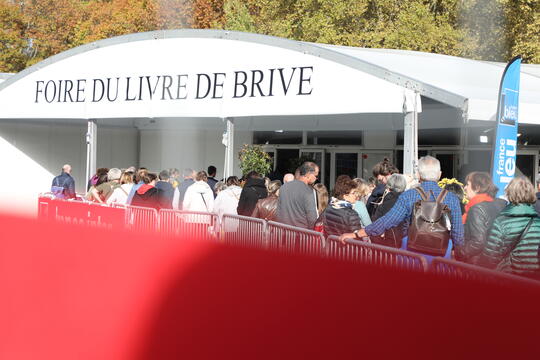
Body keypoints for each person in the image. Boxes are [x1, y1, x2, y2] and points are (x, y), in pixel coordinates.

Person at [346, 156, 464, 258]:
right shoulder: (452, 199)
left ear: (418, 175)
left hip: (412, 251)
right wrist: (459, 255)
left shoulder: (409, 196)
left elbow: (387, 221)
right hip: (442, 253)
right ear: (440, 174)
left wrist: (356, 234)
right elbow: (458, 234)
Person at [478, 177, 540, 279]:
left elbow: (490, 256)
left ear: (509, 194)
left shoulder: (501, 222)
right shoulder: (538, 221)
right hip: (534, 279)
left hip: (510, 278)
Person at [459, 172, 506, 264]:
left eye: (467, 184)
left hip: (476, 264)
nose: (464, 188)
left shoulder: (477, 209)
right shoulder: (496, 204)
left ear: (477, 188)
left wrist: (460, 252)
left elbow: (478, 242)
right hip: (493, 262)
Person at [276, 162, 319, 229]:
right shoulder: (308, 191)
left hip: (284, 232)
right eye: (316, 176)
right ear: (308, 175)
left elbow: (279, 213)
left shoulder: (284, 187)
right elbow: (312, 218)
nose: (316, 178)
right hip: (301, 234)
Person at [370, 174, 407, 248]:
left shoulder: (385, 203)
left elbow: (375, 224)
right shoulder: (408, 201)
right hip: (405, 244)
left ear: (389, 186)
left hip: (387, 245)